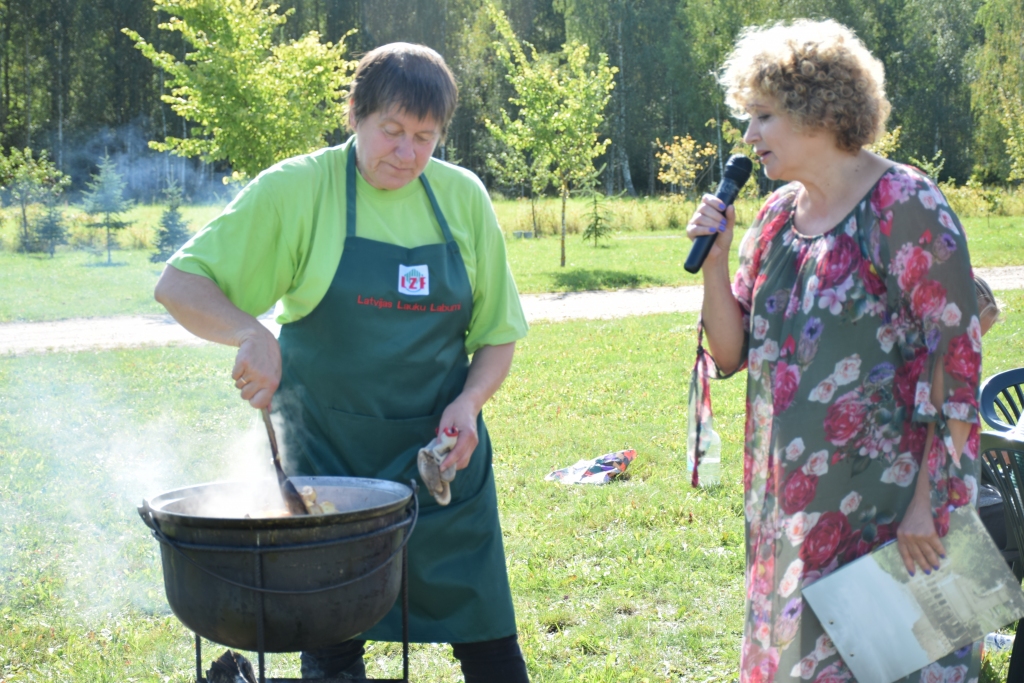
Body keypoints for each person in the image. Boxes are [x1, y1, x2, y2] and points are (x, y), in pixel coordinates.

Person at [154, 43, 530, 682]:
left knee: (490, 644)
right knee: (331, 648)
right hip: (331, 471)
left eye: (424, 138)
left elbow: (498, 335)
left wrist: (468, 404)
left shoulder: (462, 197)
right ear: (354, 113)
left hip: (441, 464)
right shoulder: (298, 190)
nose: (406, 154)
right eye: (390, 132)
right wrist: (251, 332)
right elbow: (179, 284)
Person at [686, 20, 982, 682]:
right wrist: (715, 260)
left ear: (817, 109)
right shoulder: (772, 219)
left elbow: (956, 363)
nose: (748, 135)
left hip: (892, 511)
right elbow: (731, 352)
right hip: (791, 510)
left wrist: (929, 502)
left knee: (900, 665)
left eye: (763, 115)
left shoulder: (905, 205)